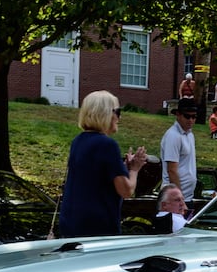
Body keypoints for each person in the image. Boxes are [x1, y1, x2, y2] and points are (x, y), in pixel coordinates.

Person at [56, 90, 149, 237]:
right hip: (97, 228)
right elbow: (126, 190)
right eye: (117, 112)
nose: (119, 117)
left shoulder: (78, 141)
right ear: (106, 113)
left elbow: (96, 178)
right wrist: (135, 169)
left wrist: (123, 168)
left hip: (70, 223)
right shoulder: (107, 145)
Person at [160, 96, 198, 200]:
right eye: (187, 116)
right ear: (178, 115)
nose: (191, 120)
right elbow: (172, 170)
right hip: (174, 198)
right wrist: (179, 198)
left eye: (194, 117)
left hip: (187, 197)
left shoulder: (190, 134)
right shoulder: (173, 136)